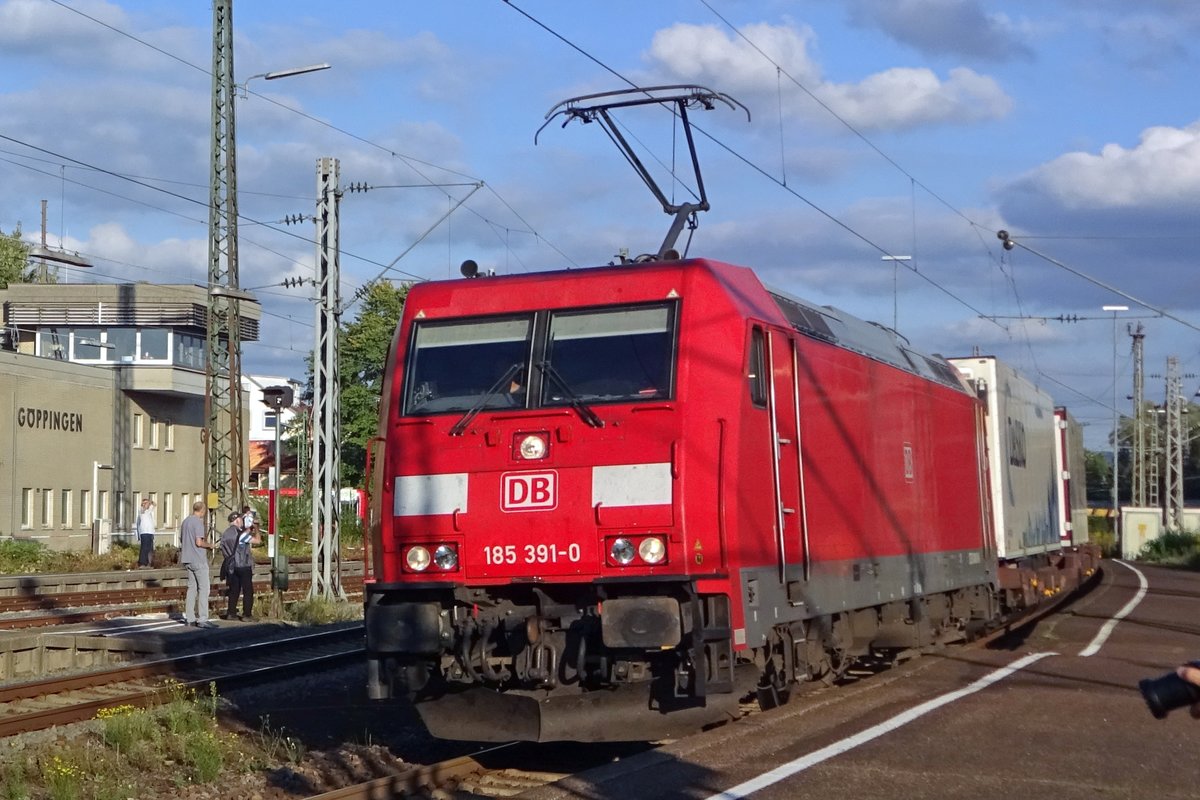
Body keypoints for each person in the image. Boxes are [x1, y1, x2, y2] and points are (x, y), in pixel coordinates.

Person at [178, 501, 217, 628]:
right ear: (202, 510)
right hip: (198, 560)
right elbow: (199, 542)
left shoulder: (185, 522)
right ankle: (202, 619)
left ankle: (189, 618)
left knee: (191, 589)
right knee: (204, 589)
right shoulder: (198, 523)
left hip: (187, 559)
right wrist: (210, 545)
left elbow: (181, 539)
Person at [220, 511, 260, 620]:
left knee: (234, 590)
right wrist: (256, 529)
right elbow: (258, 540)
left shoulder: (225, 534)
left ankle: (231, 613)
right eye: (241, 520)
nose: (242, 521)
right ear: (237, 520)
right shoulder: (241, 535)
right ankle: (247, 614)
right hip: (243, 565)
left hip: (231, 566)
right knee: (248, 590)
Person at [135, 498, 156, 568]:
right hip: (144, 532)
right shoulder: (141, 510)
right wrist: (144, 505)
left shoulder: (149, 511)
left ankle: (148, 563)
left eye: (147, 503)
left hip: (150, 532)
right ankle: (142, 563)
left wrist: (151, 502)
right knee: (144, 548)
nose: (147, 505)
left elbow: (154, 505)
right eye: (145, 503)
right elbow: (142, 510)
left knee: (149, 548)